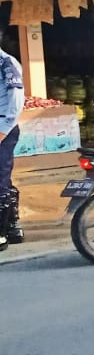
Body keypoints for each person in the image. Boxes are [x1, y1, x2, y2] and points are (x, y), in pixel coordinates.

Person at [0, 42, 23, 248]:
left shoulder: (6, 64)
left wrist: (3, 130)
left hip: (2, 128)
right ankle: (13, 226)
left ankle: (1, 234)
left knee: (0, 180)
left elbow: (16, 99)